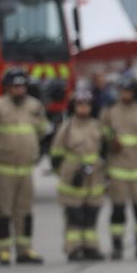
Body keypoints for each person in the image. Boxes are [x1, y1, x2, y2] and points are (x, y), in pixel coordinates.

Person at [101, 74, 137, 260]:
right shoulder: (110, 112)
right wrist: (111, 142)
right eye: (122, 91)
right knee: (117, 210)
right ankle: (117, 247)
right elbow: (104, 135)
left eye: (129, 91)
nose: (125, 94)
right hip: (118, 169)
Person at [0, 67, 47, 264]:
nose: (19, 90)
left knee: (24, 211)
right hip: (4, 169)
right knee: (3, 211)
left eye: (22, 86)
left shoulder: (34, 106)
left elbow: (41, 131)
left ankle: (25, 250)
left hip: (26, 169)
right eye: (15, 86)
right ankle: (4, 250)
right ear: (8, 88)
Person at [50, 89, 106, 261]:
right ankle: (73, 249)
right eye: (80, 104)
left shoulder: (97, 125)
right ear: (74, 106)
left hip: (94, 177)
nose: (83, 108)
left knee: (91, 214)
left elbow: (104, 150)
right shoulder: (67, 127)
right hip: (72, 176)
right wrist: (65, 174)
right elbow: (56, 154)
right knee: (74, 216)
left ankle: (90, 247)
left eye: (87, 104)